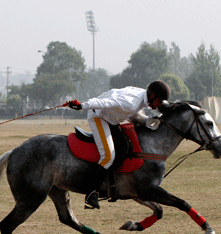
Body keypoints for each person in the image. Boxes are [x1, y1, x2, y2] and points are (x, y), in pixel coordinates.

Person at [67, 80, 171, 209]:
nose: (159, 105)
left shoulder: (141, 96)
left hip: (112, 120)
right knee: (108, 156)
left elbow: (134, 114)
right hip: (98, 117)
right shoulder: (131, 103)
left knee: (123, 148)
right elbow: (103, 103)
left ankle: (112, 185)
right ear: (152, 95)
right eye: (159, 101)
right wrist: (82, 105)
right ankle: (91, 193)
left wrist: (151, 121)